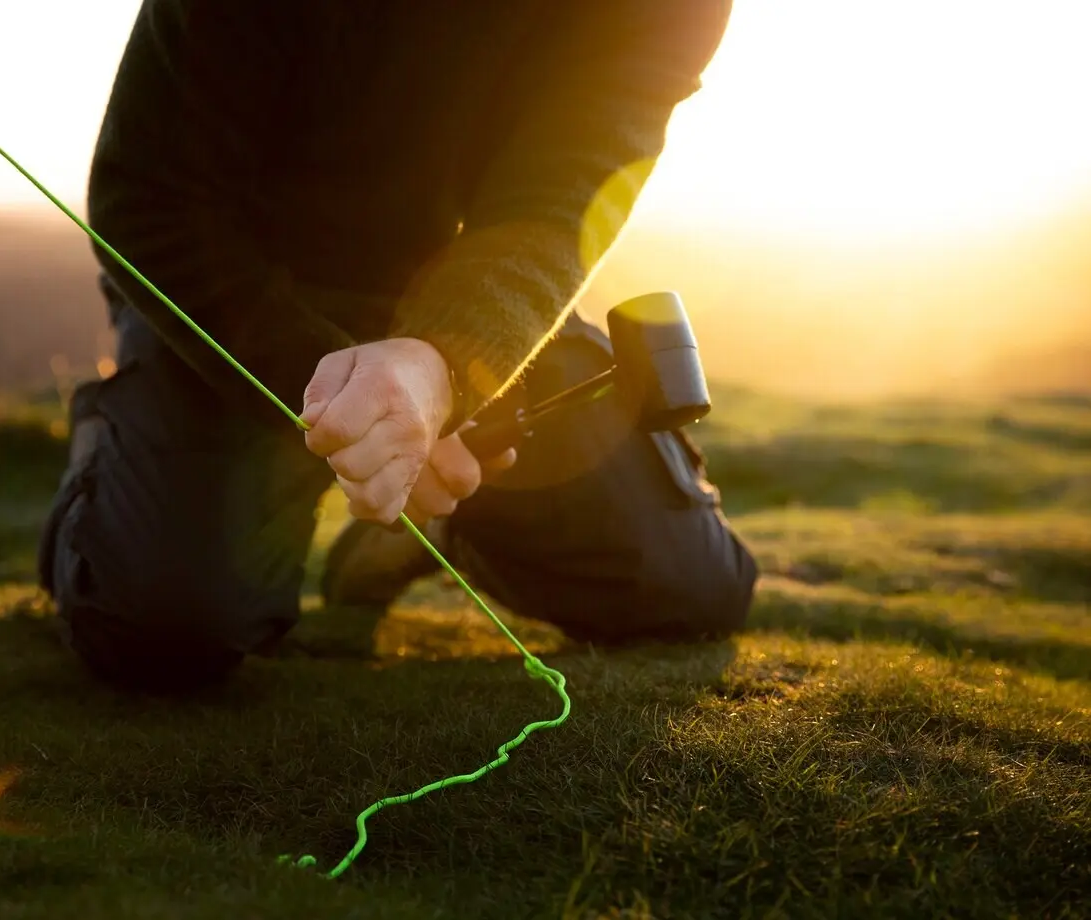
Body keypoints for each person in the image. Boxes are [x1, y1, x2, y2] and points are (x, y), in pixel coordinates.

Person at [37, 0, 758, 694]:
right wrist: (357, 398)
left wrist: (449, 366)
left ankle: (423, 530)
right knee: (165, 629)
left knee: (688, 592)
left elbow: (558, 202)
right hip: (227, 298)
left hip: (467, 299)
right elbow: (148, 197)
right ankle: (104, 480)